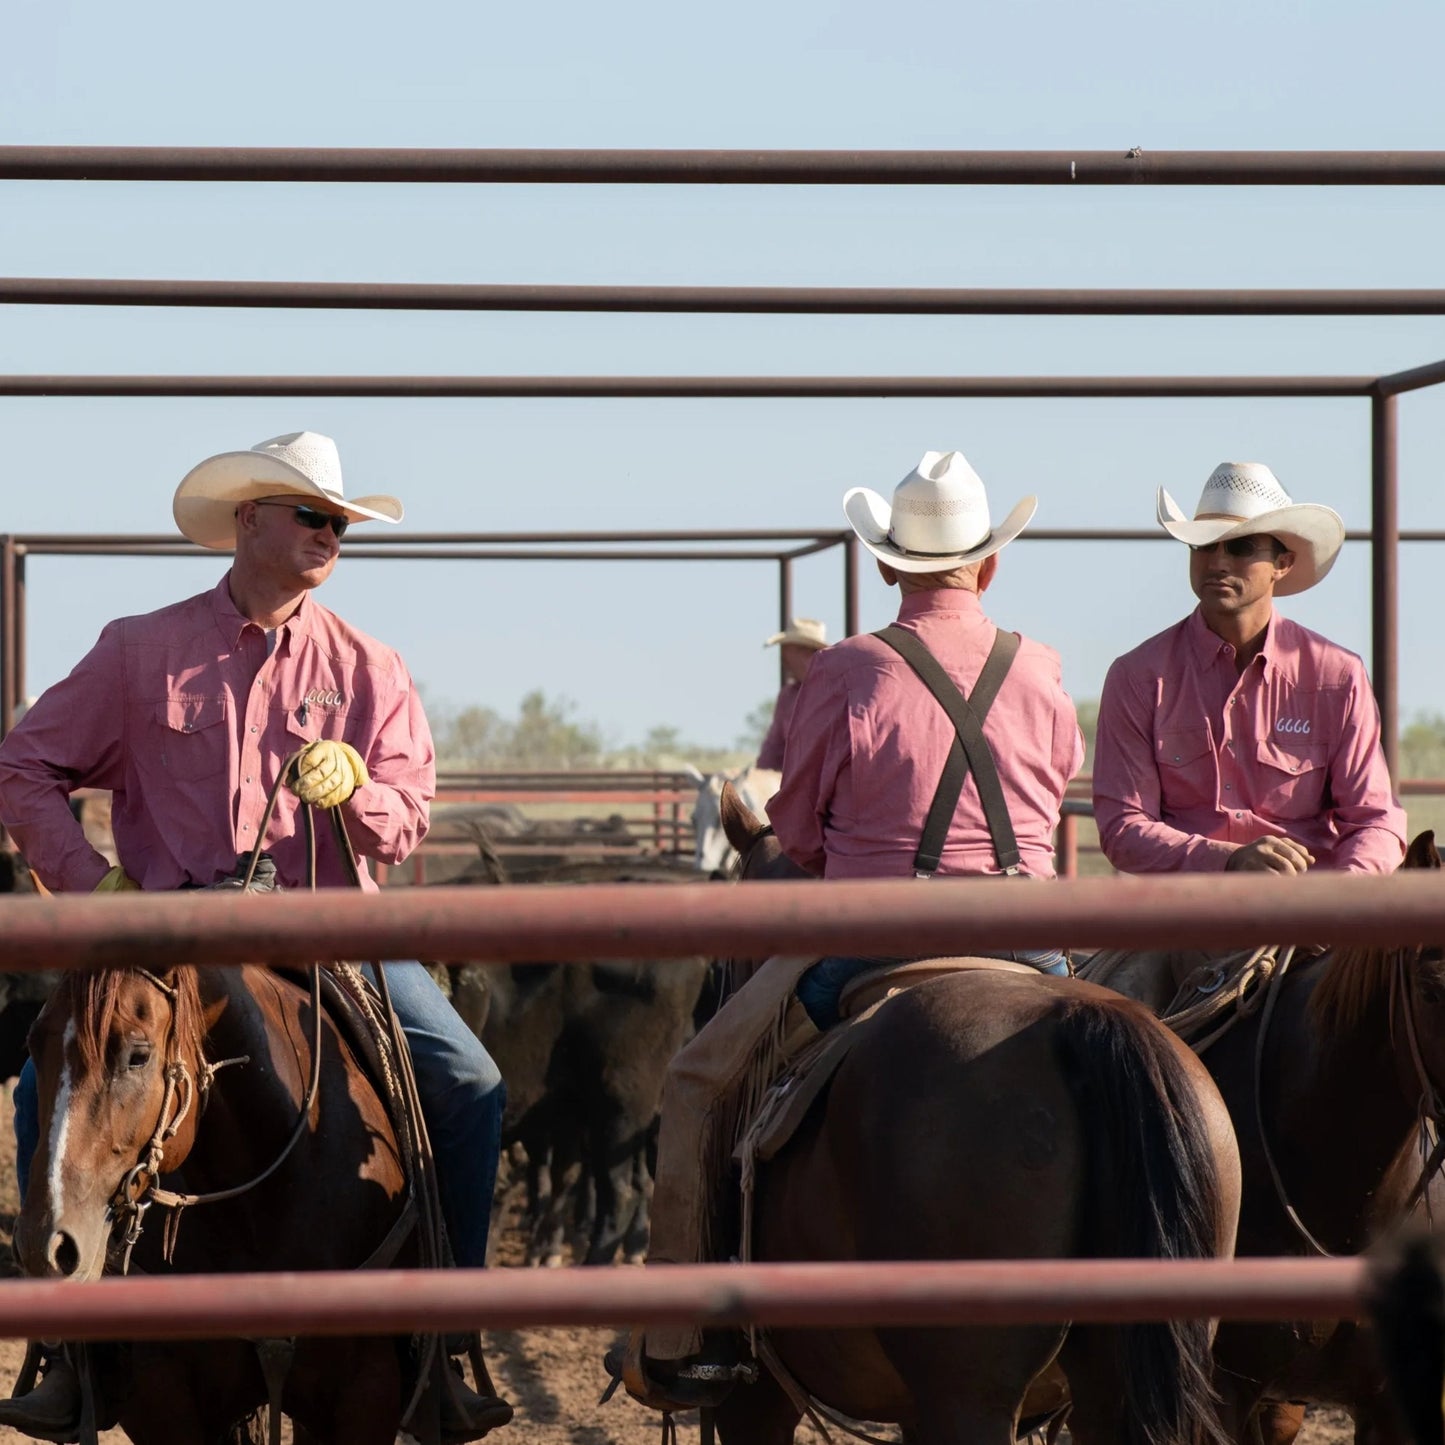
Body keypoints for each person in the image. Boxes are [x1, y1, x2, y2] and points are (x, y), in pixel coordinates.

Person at [0, 431, 509, 1442]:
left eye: (340, 523)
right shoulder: (138, 650)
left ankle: (443, 1328)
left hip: (332, 934)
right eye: (313, 516)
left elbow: (407, 814)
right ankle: (62, 1337)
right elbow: (25, 763)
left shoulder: (367, 665)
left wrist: (360, 790)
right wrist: (96, 885)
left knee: (466, 1080)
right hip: (167, 931)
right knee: (49, 1072)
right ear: (249, 522)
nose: (331, 535)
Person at [626, 451, 1084, 1410]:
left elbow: (792, 834)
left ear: (886, 568)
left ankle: (694, 1330)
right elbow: (1049, 802)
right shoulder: (1040, 668)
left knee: (701, 1083)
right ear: (988, 566)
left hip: (878, 938)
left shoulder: (844, 670)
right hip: (1030, 941)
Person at [1089, 462, 1405, 1006]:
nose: (1216, 562)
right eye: (1204, 546)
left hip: (1308, 934)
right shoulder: (1139, 676)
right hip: (1181, 925)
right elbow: (1122, 827)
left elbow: (1375, 820)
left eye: (1239, 548)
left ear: (1282, 563)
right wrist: (1227, 859)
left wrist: (1334, 902)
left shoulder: (1336, 675)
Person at [755, 617, 827, 770]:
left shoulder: (833, 693)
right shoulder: (787, 697)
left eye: (788, 650)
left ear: (806, 653)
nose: (783, 658)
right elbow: (772, 749)